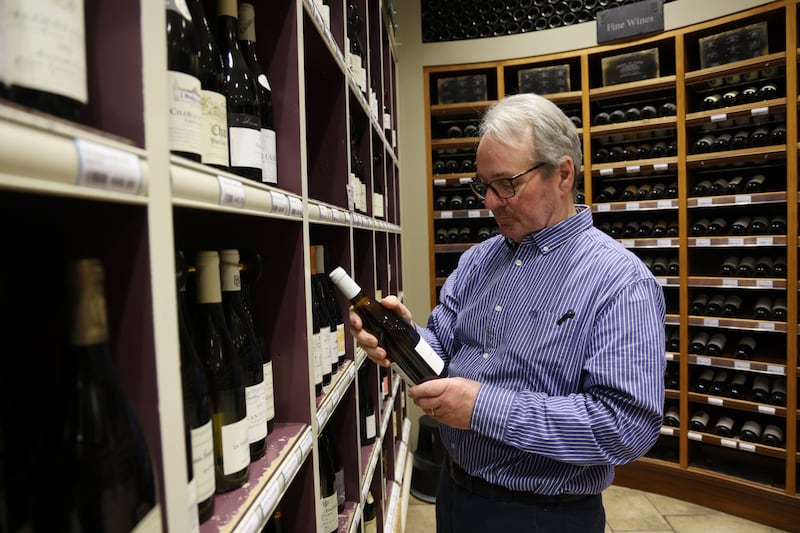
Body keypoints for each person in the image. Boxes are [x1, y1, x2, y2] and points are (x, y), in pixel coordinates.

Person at [349, 93, 665, 532]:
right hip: (456, 490)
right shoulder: (478, 260)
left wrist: (482, 408)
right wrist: (405, 339)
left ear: (563, 173)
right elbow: (442, 349)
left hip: (543, 515)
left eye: (507, 184)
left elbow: (626, 426)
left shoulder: (620, 282)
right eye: (484, 186)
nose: (491, 203)